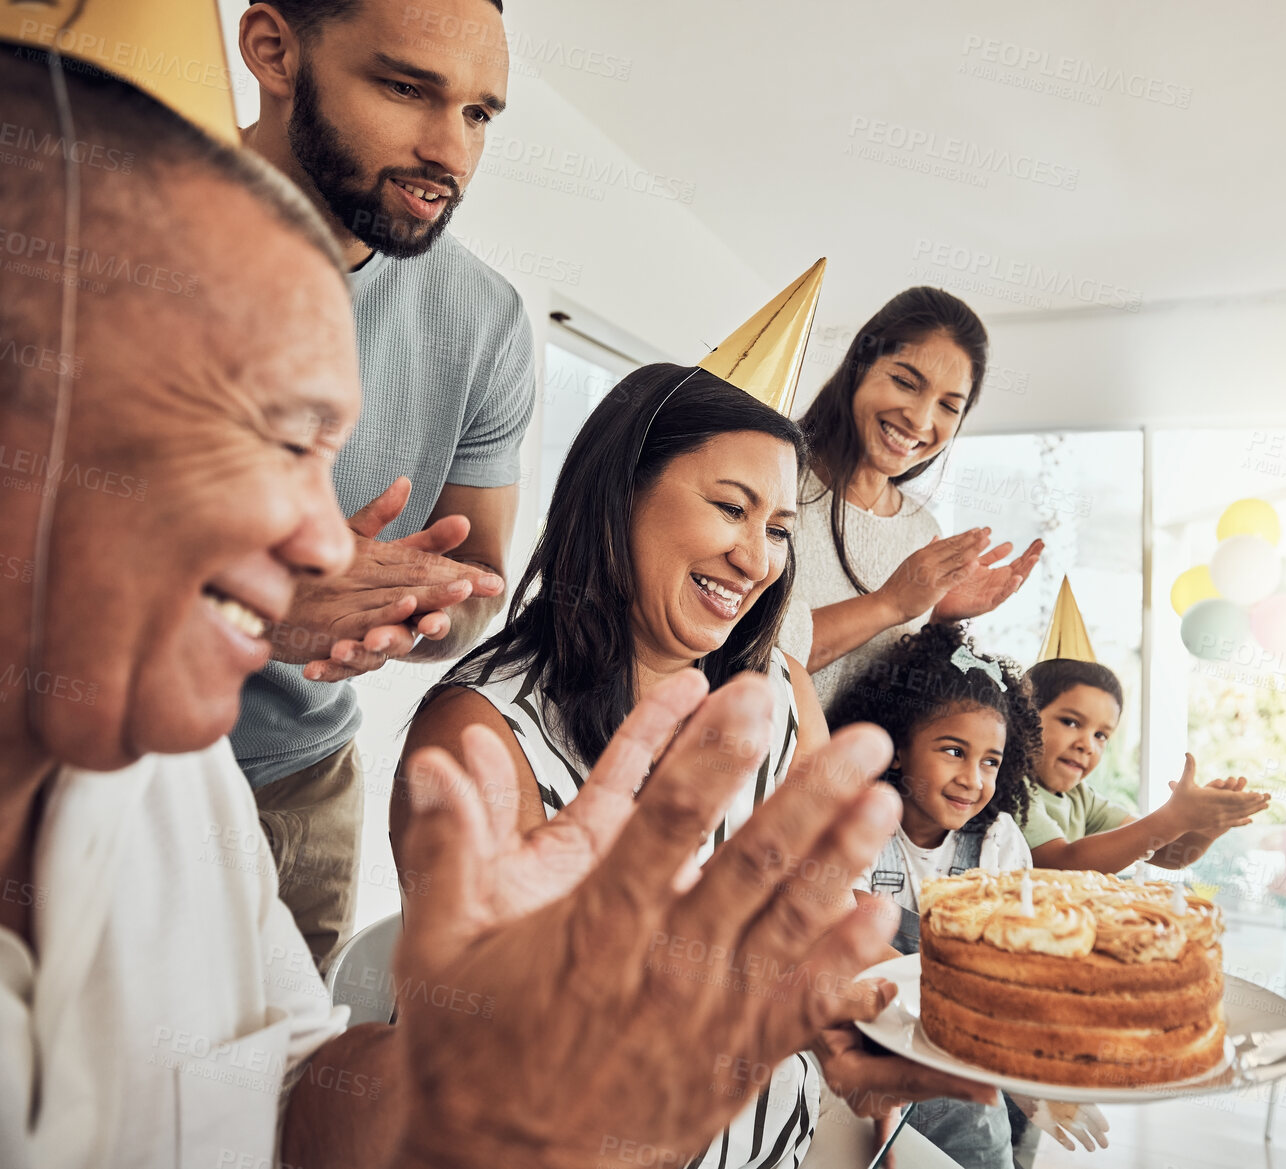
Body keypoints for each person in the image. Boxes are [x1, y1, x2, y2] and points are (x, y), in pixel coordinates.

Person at [0, 30, 910, 1169]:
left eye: (779, 526)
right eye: (263, 435)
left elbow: (283, 1091)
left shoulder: (182, 797)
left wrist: (500, 1094)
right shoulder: (482, 738)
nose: (324, 537)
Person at [399, 357, 998, 1165]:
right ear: (620, 494)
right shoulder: (483, 731)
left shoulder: (776, 690)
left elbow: (823, 910)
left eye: (779, 527)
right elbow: (503, 1043)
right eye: (730, 508)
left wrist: (971, 1023)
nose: (758, 559)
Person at [229, 0, 536, 965]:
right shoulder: (96, 213)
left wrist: (401, 609)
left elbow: (475, 578)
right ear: (274, 50)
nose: (450, 151)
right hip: (53, 743)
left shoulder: (485, 322)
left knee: (261, 1097)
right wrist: (248, 604)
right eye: (407, 88)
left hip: (295, 783)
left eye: (479, 114)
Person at [831, 623, 1107, 1168]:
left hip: (975, 1023)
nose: (973, 778)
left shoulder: (998, 839)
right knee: (972, 1112)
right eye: (953, 751)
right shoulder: (861, 827)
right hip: (883, 1023)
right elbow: (856, 944)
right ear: (897, 748)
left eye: (989, 761)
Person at [779, 287, 1043, 710]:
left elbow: (891, 695)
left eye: (948, 406)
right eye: (905, 382)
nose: (921, 419)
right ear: (859, 367)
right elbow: (746, 654)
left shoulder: (922, 530)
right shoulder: (775, 483)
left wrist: (936, 618)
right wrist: (890, 604)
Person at [1023, 581, 1270, 872]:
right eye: (1071, 722)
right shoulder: (1011, 790)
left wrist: (1203, 827)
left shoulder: (1081, 798)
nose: (1086, 744)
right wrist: (1173, 818)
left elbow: (1166, 853)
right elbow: (1063, 862)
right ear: (1023, 718)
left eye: (1101, 734)